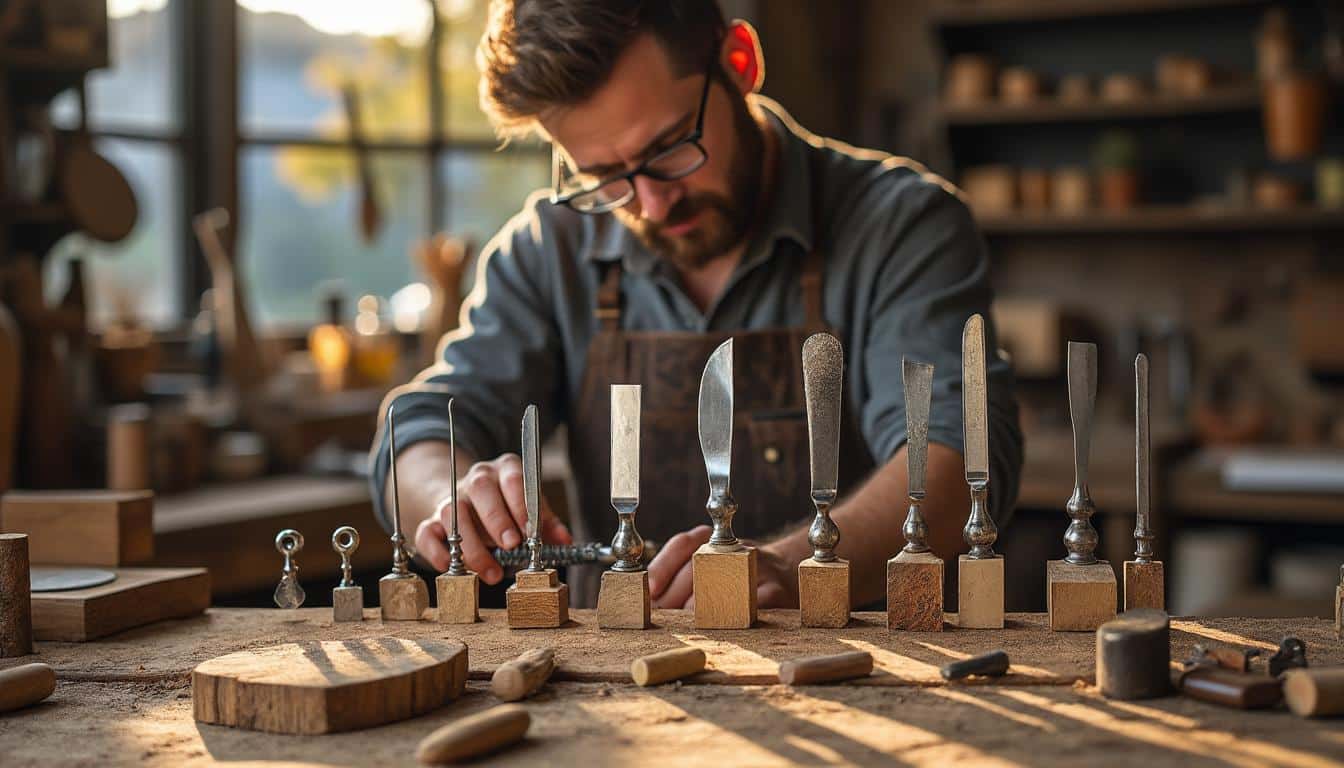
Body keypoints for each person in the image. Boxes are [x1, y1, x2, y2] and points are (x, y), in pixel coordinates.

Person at [370, 0, 1022, 610]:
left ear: (740, 63)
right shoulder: (550, 247)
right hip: (618, 691)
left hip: (855, 669)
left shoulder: (900, 224)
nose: (652, 205)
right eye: (603, 177)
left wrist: (793, 568)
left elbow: (954, 458)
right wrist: (452, 497)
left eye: (670, 148)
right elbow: (419, 427)